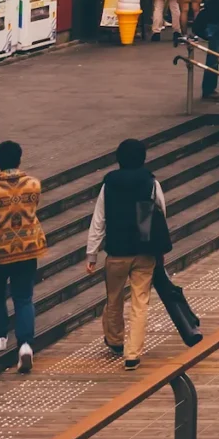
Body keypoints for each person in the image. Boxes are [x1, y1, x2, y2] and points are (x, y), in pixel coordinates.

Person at [87, 138, 170, 369]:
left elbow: (99, 220)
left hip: (116, 252)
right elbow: (162, 210)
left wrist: (92, 254)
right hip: (144, 250)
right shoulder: (150, 181)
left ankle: (114, 340)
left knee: (113, 297)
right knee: (139, 302)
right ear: (143, 158)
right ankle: (132, 354)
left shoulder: (109, 183)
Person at [0, 140, 44, 373]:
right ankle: (25, 344)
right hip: (27, 248)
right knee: (24, 297)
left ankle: (0, 337)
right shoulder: (34, 184)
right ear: (19, 159)